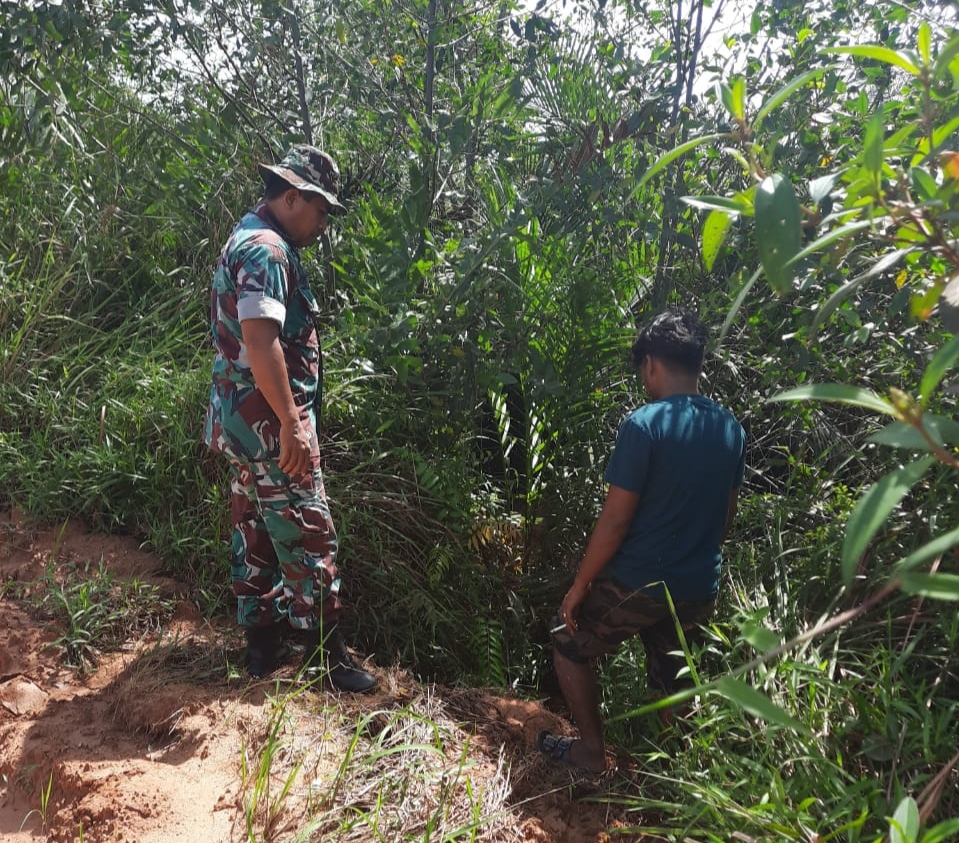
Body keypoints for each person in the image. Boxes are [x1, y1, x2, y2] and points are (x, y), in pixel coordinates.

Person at [538, 308, 745, 772]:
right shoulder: (730, 429)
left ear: (651, 363)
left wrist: (578, 589)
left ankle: (591, 752)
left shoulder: (645, 424)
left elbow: (614, 523)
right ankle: (678, 777)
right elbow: (725, 517)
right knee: (676, 677)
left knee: (566, 640)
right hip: (697, 588)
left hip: (638, 583)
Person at [204, 144, 376, 693]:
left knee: (253, 524)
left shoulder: (245, 237)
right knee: (308, 528)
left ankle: (262, 646)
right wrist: (293, 424)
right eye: (320, 209)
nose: (323, 223)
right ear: (292, 197)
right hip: (269, 425)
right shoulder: (268, 252)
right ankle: (328, 660)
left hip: (240, 422)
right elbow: (260, 341)